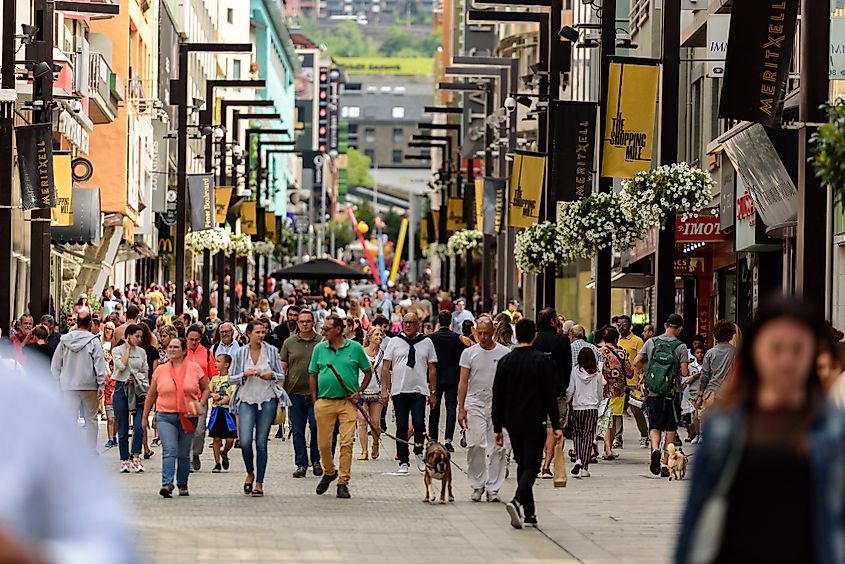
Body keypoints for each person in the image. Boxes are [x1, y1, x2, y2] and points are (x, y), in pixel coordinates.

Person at [676, 296, 845, 563]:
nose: (787, 361)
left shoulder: (833, 427)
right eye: (776, 348)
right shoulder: (725, 426)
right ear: (756, 352)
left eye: (798, 349)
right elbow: (696, 516)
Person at [0, 359, 136, 563]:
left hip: (70, 389)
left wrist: (30, 555)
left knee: (82, 419)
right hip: (81, 388)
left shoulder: (21, 399)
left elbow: (111, 543)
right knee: (89, 420)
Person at [492, 319, 561, 529]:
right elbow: (550, 395)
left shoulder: (505, 361)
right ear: (534, 336)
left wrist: (497, 426)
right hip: (535, 420)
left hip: (512, 421)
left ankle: (530, 514)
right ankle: (517, 500)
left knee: (523, 464)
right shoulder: (542, 361)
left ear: (516, 336)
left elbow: (498, 395)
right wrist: (556, 425)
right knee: (532, 465)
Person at [308, 315, 373, 499]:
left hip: (347, 402)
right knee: (323, 444)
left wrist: (359, 391)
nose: (324, 331)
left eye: (327, 328)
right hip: (325, 401)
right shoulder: (320, 349)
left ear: (338, 329)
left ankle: (343, 482)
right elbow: (312, 374)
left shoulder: (355, 348)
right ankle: (329, 472)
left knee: (346, 443)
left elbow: (368, 371)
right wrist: (315, 400)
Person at [142, 337, 209, 498]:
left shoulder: (194, 368)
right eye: (170, 347)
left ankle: (182, 483)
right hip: (165, 415)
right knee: (170, 449)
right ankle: (167, 484)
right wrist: (145, 417)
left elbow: (206, 388)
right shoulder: (160, 370)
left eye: (176, 347)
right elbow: (151, 395)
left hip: (188, 415)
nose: (172, 349)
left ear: (184, 350)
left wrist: (201, 403)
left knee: (184, 453)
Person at [229, 320, 290, 497]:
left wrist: (271, 375)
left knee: (261, 442)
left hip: (267, 399)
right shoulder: (240, 353)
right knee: (246, 441)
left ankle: (259, 482)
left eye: (263, 332)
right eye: (257, 332)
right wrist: (244, 374)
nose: (261, 335)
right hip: (246, 399)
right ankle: (250, 472)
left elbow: (280, 374)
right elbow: (231, 378)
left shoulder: (271, 351)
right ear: (249, 333)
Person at [458, 318, 511, 502]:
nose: (482, 337)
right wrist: (461, 409)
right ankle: (477, 484)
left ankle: (493, 488)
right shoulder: (468, 353)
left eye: (486, 333)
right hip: (475, 403)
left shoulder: (504, 353)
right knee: (475, 444)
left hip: (498, 405)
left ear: (493, 331)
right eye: (479, 333)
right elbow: (463, 382)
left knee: (498, 446)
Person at [381, 312, 438, 475]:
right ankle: (403, 460)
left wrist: (433, 392)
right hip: (399, 390)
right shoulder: (394, 342)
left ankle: (419, 452)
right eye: (405, 322)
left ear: (418, 324)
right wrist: (385, 389)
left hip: (419, 390)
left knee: (419, 423)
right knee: (401, 425)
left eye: (411, 322)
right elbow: (386, 367)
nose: (408, 325)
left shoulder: (426, 342)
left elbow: (433, 368)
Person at [634, 313, 689, 478]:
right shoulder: (680, 346)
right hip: (671, 393)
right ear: (680, 328)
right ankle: (666, 463)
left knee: (655, 425)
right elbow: (685, 371)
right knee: (670, 428)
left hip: (653, 391)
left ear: (666, 325)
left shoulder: (651, 342)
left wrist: (648, 371)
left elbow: (636, 362)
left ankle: (655, 449)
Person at [50, 313, 107, 450]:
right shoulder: (94, 341)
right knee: (91, 419)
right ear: (89, 324)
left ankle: (70, 448)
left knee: (70, 418)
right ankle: (91, 449)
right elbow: (99, 363)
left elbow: (55, 364)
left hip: (68, 385)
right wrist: (101, 384)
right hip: (89, 385)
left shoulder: (64, 340)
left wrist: (58, 381)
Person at [280, 309, 324, 478]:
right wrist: (281, 392)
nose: (305, 324)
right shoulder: (289, 343)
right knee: (297, 430)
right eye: (302, 321)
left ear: (313, 323)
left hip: (317, 394)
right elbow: (282, 369)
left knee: (316, 428)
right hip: (295, 394)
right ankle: (301, 464)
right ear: (297, 323)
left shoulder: (321, 342)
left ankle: (316, 460)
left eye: (308, 321)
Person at [533, 308, 572, 480]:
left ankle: (537, 461)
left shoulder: (533, 339)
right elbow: (568, 367)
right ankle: (547, 466)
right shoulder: (562, 340)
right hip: (556, 389)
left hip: (535, 391)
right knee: (553, 428)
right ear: (551, 321)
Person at [111, 324, 150, 473]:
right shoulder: (117, 350)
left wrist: (137, 378)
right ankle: (124, 459)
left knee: (139, 425)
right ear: (128, 335)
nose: (139, 339)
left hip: (138, 389)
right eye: (136, 336)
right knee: (122, 426)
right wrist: (127, 348)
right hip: (121, 388)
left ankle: (136, 456)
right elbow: (121, 366)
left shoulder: (142, 352)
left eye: (141, 336)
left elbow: (145, 371)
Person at [428, 310, 466, 452]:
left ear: (439, 321)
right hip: (452, 378)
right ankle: (448, 440)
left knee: (434, 408)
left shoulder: (431, 338)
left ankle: (433, 438)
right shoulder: (458, 338)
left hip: (436, 378)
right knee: (451, 409)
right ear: (450, 321)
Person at [185, 324, 217, 472]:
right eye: (191, 339)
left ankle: (196, 453)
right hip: (183, 398)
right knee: (186, 429)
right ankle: (189, 457)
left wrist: (213, 392)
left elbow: (213, 376)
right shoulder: (181, 352)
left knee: (199, 430)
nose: (193, 342)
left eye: (196, 340)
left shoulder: (207, 354)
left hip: (200, 398)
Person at [567, 348, 603, 478]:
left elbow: (571, 389)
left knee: (577, 433)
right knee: (588, 435)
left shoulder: (575, 372)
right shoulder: (597, 374)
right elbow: (600, 392)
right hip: (592, 407)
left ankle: (577, 458)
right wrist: (598, 402)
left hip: (577, 407)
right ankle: (584, 466)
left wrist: (568, 400)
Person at [596, 326, 631, 460]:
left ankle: (606, 448)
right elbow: (629, 372)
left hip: (602, 389)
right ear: (616, 339)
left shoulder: (598, 352)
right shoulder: (621, 352)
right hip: (617, 390)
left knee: (605, 418)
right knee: (612, 419)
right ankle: (608, 449)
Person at [615, 314, 648, 448]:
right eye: (619, 325)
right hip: (619, 381)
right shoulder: (616, 340)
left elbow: (643, 360)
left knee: (636, 409)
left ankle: (644, 435)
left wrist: (642, 377)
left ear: (630, 326)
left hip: (634, 382)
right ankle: (617, 438)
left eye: (624, 325)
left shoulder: (637, 341)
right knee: (617, 411)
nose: (621, 327)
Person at [697, 320, 738, 412]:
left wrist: (700, 395)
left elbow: (704, 376)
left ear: (715, 335)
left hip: (711, 394)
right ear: (731, 335)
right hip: (729, 395)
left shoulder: (710, 353)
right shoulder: (736, 353)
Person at [357, 325, 385, 460]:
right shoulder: (361, 352)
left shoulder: (383, 354)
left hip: (377, 391)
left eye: (381, 335)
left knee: (375, 423)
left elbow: (386, 373)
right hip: (361, 391)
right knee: (362, 421)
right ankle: (364, 450)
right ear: (369, 337)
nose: (379, 337)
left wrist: (387, 390)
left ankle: (375, 443)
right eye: (376, 335)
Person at [208, 354, 236, 473]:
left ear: (226, 365)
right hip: (217, 411)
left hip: (228, 412)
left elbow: (233, 394)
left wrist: (225, 399)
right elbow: (208, 391)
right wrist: (212, 395)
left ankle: (224, 453)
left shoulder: (231, 379)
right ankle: (217, 463)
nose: (215, 364)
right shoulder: (214, 379)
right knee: (216, 438)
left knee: (230, 439)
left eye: (218, 361)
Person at [681, 344, 706, 443]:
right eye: (698, 353)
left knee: (703, 416)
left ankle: (702, 435)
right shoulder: (691, 366)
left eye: (702, 353)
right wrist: (693, 377)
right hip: (693, 395)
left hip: (704, 394)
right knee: (694, 418)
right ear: (694, 354)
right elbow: (685, 380)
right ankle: (696, 435)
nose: (700, 355)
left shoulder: (707, 365)